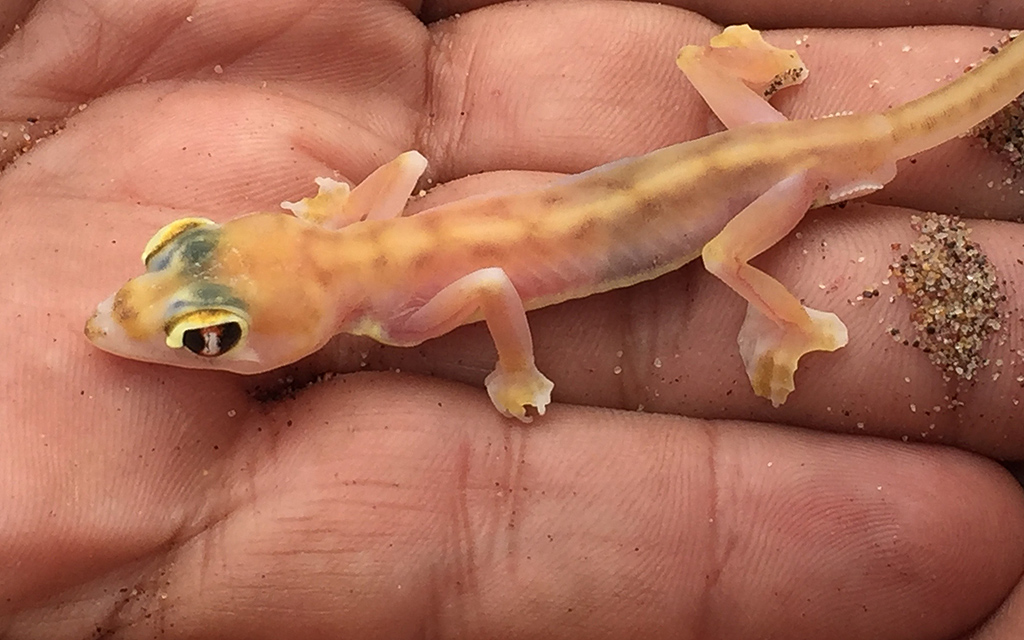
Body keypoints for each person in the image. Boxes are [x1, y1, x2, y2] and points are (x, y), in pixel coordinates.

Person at [1, 0, 1022, 637]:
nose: (127, 328)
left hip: (773, 175)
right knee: (697, 69)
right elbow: (398, 169)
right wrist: (323, 211)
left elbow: (490, 288)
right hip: (733, 149)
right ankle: (743, 66)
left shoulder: (397, 317)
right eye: (199, 324)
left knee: (720, 253)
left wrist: (515, 371)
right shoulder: (347, 246)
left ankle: (792, 320)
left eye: (204, 333)